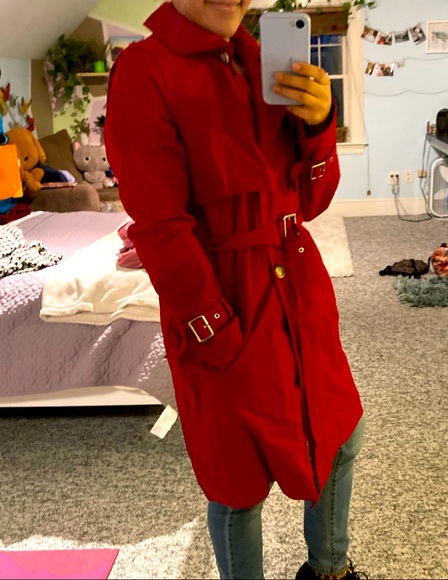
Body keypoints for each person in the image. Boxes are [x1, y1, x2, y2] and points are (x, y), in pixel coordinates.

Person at [105, 1, 365, 578]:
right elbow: (160, 225)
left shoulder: (265, 63)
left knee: (340, 432)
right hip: (225, 298)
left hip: (298, 282)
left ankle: (330, 570)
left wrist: (320, 125)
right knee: (236, 481)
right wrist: (213, 327)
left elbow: (311, 200)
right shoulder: (144, 70)